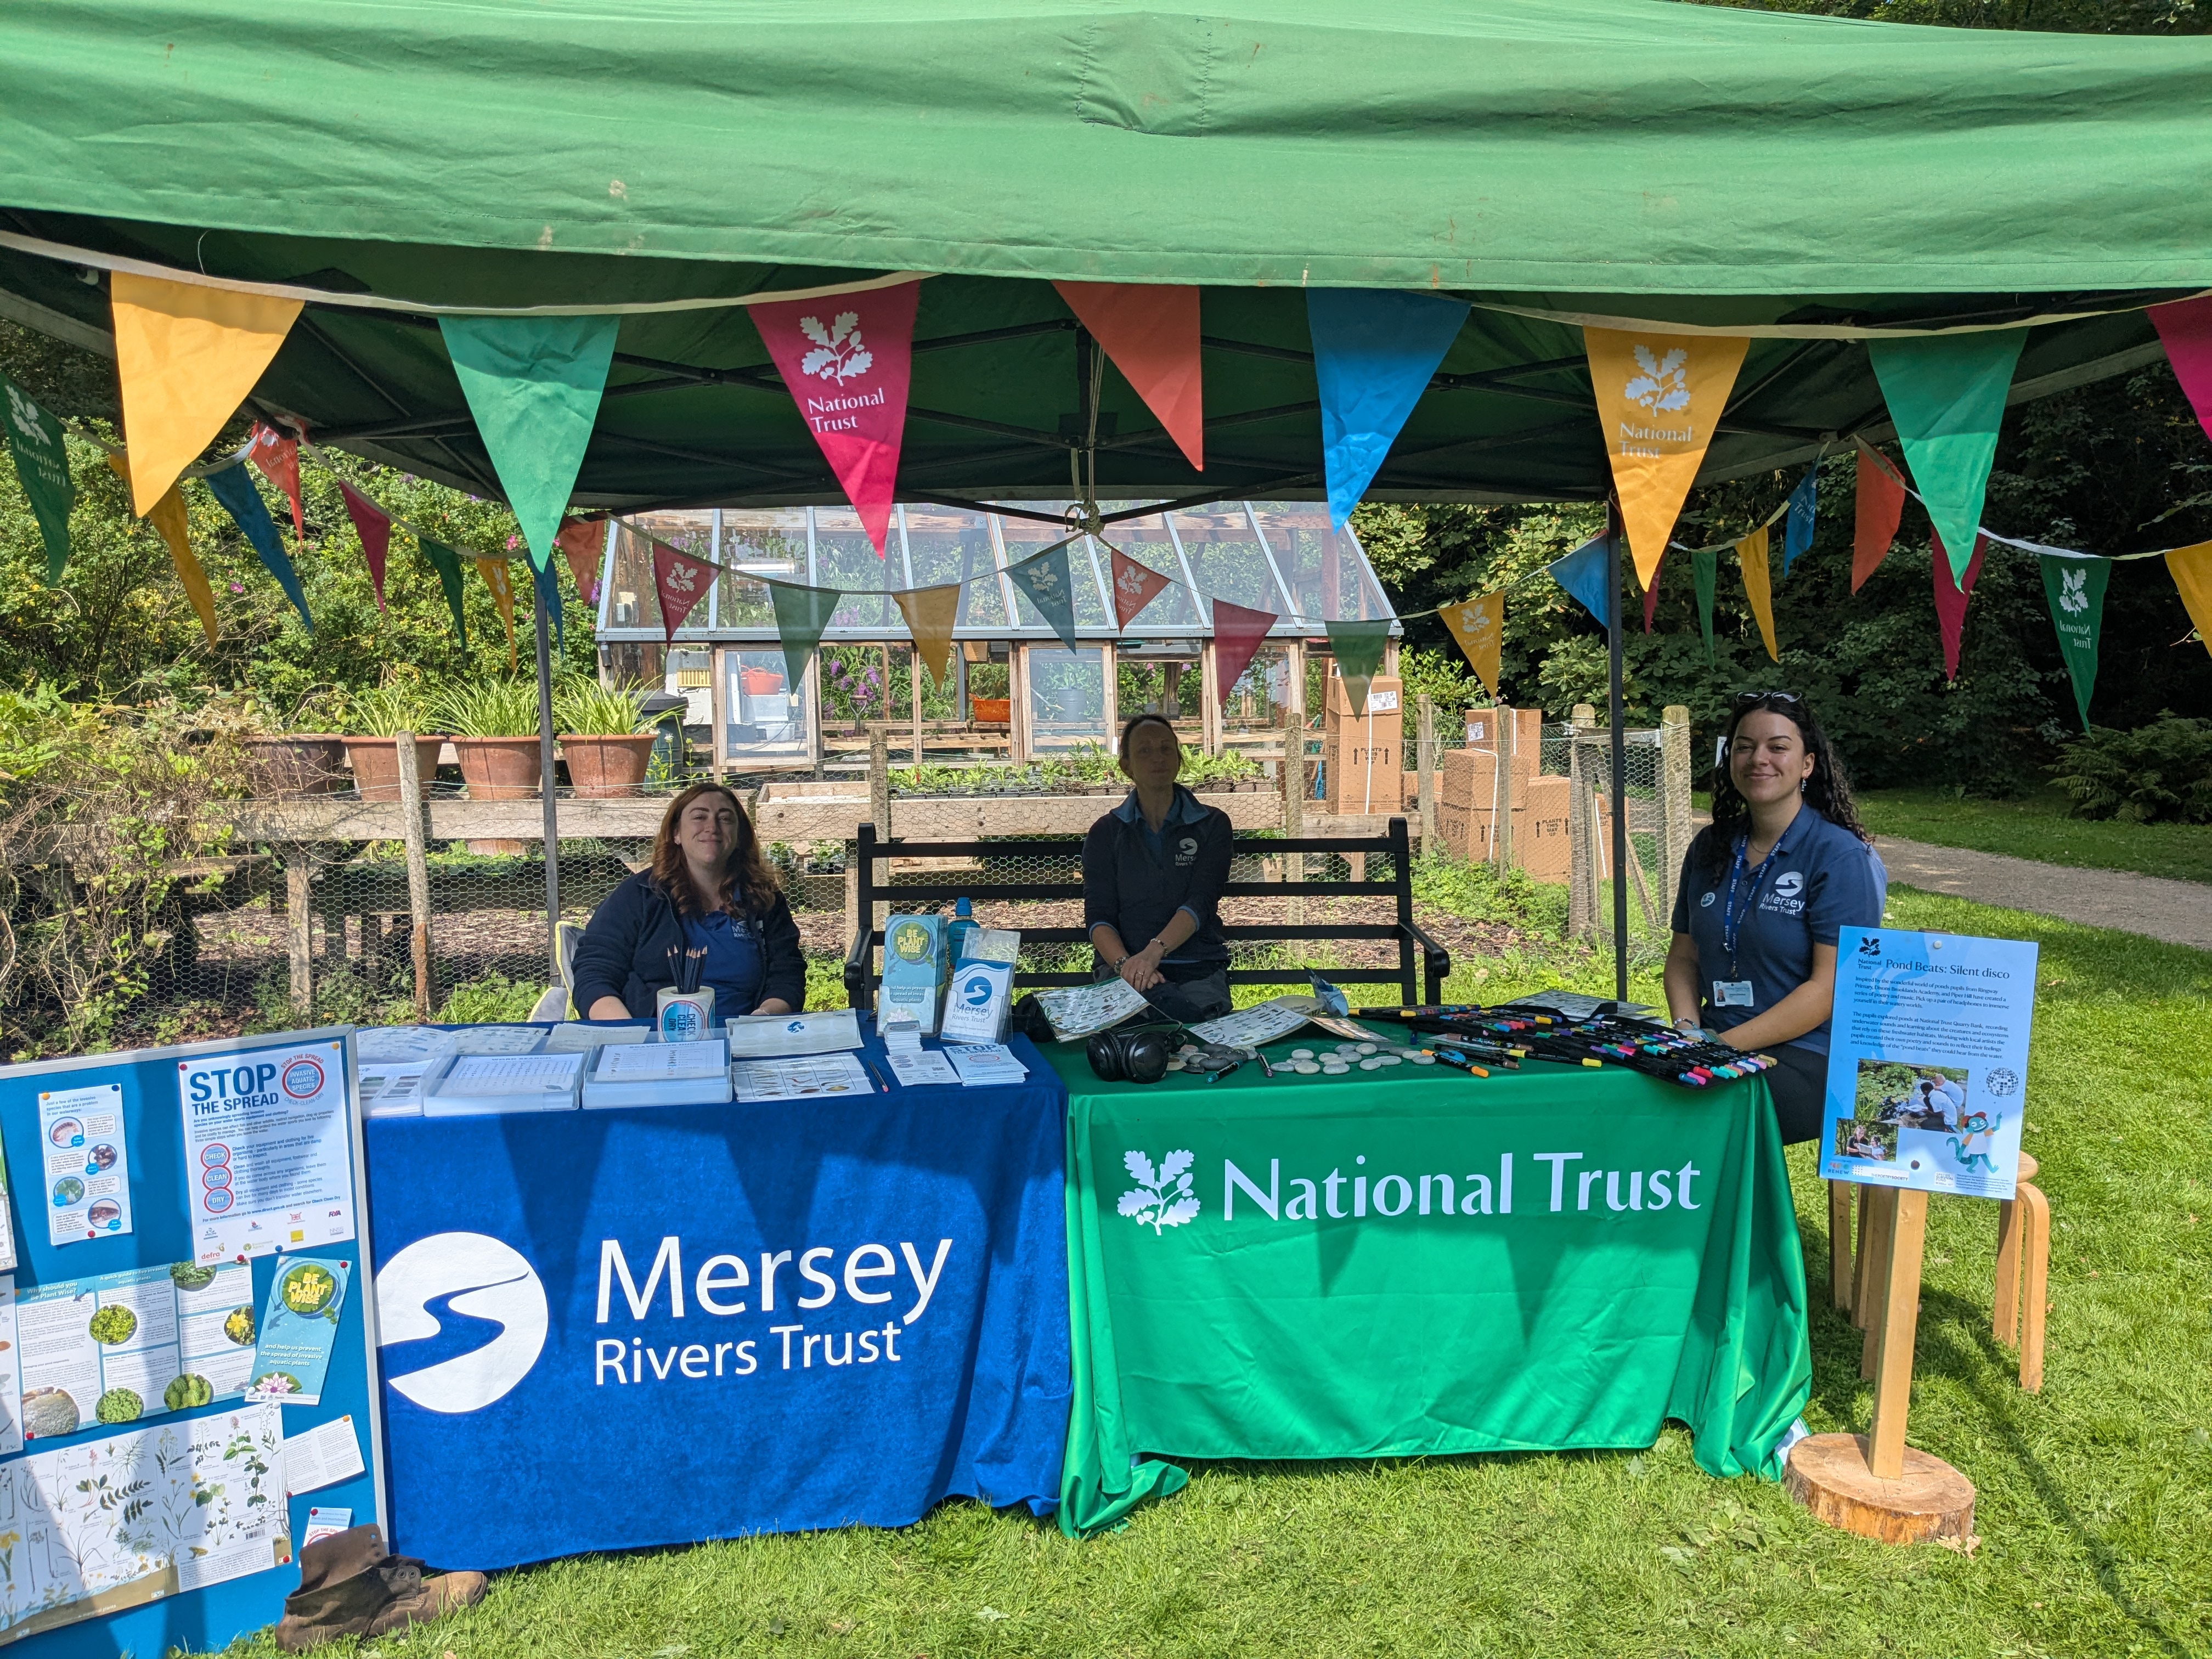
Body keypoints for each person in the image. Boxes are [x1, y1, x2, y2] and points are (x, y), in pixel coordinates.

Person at [1663, 691, 1886, 1144]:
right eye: (1744, 747)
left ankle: (1747, 1217)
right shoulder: (1710, 847)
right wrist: (1687, 1032)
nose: (1758, 759)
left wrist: (1721, 1049)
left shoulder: (1840, 857)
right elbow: (1683, 958)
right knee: (1629, 1094)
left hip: (1811, 1054)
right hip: (1714, 1040)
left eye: (1777, 747)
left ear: (1807, 764)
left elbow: (1829, 989)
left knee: (1702, 1116)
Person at [572, 782, 805, 1021]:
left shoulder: (764, 900)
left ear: (738, 837)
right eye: (699, 817)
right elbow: (594, 975)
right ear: (676, 834)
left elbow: (787, 976)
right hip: (652, 1039)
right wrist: (631, 1035)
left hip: (746, 1037)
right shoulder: (639, 895)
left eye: (725, 819)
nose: (712, 827)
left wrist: (760, 1020)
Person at [1082, 712, 1235, 1024]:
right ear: (1127, 766)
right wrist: (1129, 966)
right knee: (1128, 1046)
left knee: (1198, 1038)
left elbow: (1201, 901)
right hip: (1122, 969)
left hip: (1197, 966)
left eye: (1167, 749)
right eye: (1145, 751)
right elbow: (1098, 916)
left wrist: (1152, 956)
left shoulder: (1212, 824)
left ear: (1179, 759)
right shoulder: (1105, 833)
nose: (1159, 758)